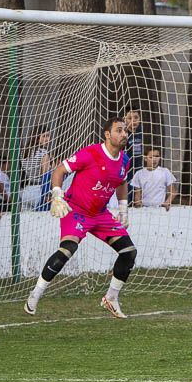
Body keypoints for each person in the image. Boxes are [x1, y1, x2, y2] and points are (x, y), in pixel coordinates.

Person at [24, 117, 137, 318]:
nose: (124, 134)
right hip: (76, 210)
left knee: (129, 252)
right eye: (119, 130)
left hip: (100, 214)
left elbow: (121, 182)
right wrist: (57, 195)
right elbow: (59, 169)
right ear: (107, 134)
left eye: (126, 131)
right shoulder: (91, 153)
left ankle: (111, 298)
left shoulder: (125, 160)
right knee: (68, 249)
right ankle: (36, 294)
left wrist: (123, 209)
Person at [21, 130, 53, 211]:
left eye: (48, 136)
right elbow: (45, 175)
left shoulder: (24, 152)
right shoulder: (44, 153)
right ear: (37, 138)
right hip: (38, 190)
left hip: (26, 191)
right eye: (44, 136)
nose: (47, 139)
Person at [123, 110, 144, 204]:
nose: (133, 121)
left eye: (136, 117)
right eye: (130, 118)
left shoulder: (140, 132)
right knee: (127, 197)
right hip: (127, 171)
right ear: (124, 119)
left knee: (138, 199)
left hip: (138, 168)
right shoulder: (123, 134)